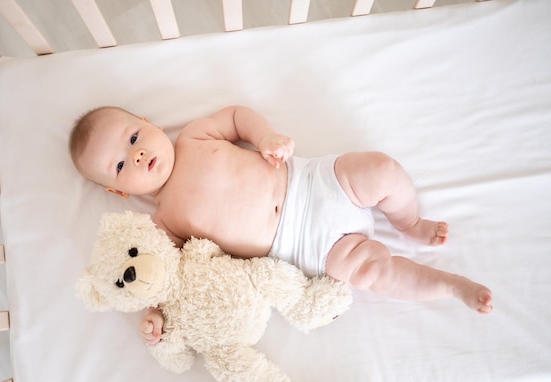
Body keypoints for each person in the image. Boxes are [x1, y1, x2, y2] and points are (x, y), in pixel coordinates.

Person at [69, 105, 493, 345]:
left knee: (382, 170)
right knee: (370, 272)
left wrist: (266, 137)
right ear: (119, 192)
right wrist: (155, 314)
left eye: (132, 138)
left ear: (150, 123)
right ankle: (450, 285)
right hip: (306, 248)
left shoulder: (194, 136)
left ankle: (410, 221)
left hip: (316, 183)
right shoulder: (163, 223)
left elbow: (236, 117)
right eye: (121, 165)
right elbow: (162, 274)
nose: (138, 156)